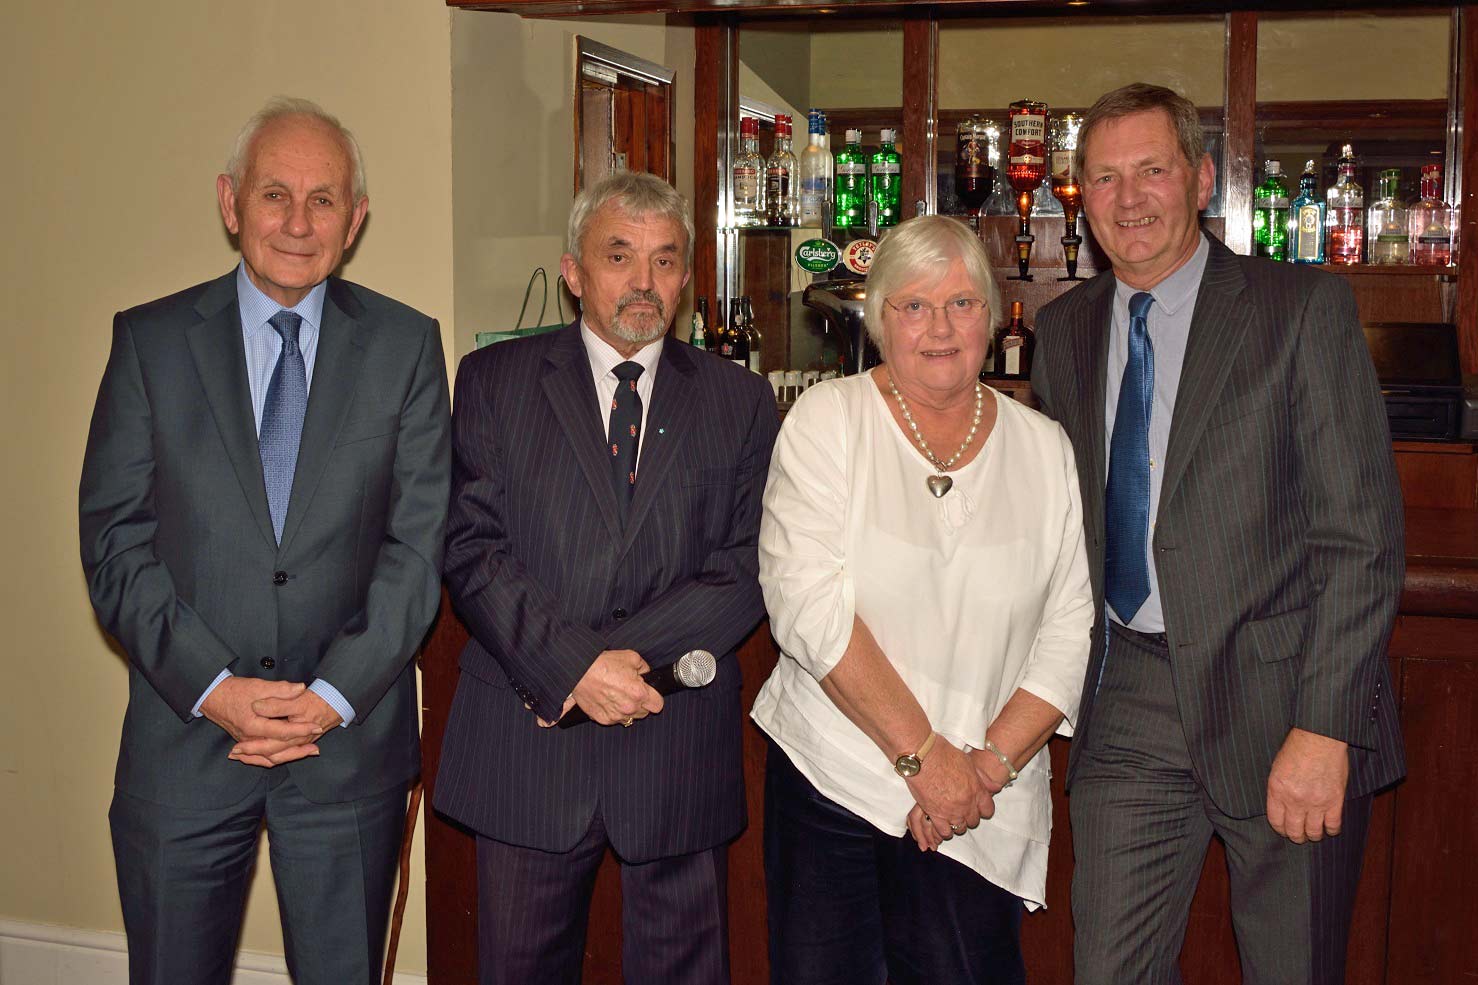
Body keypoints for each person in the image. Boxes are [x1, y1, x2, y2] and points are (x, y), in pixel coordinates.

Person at [1030, 82, 1406, 985]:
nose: (1129, 200)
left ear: (1200, 178)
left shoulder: (1299, 309)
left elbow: (1362, 537)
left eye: (1152, 170)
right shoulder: (1063, 330)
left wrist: (1326, 725)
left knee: (1292, 968)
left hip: (1283, 700)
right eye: (1106, 178)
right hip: (1127, 695)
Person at [78, 97, 451, 985]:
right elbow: (115, 544)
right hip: (185, 741)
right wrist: (215, 687)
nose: (296, 221)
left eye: (324, 200)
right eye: (274, 193)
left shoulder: (406, 347)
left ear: (355, 220)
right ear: (229, 201)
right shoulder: (152, 343)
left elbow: (417, 549)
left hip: (345, 749)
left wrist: (327, 696)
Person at [434, 170, 778, 985]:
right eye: (619, 256)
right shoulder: (495, 383)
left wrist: (613, 665)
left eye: (665, 260)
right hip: (528, 746)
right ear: (573, 270)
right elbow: (471, 549)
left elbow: (748, 564)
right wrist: (571, 669)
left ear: (688, 276)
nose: (644, 282)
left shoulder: (739, 400)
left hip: (674, 737)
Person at [752, 214, 1093, 985]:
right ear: (879, 320)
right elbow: (809, 608)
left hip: (979, 798)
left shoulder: (1045, 447)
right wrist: (922, 755)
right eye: (913, 306)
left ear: (994, 315)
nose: (939, 327)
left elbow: (1070, 628)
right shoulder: (827, 422)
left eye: (961, 303)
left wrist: (983, 767)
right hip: (833, 779)